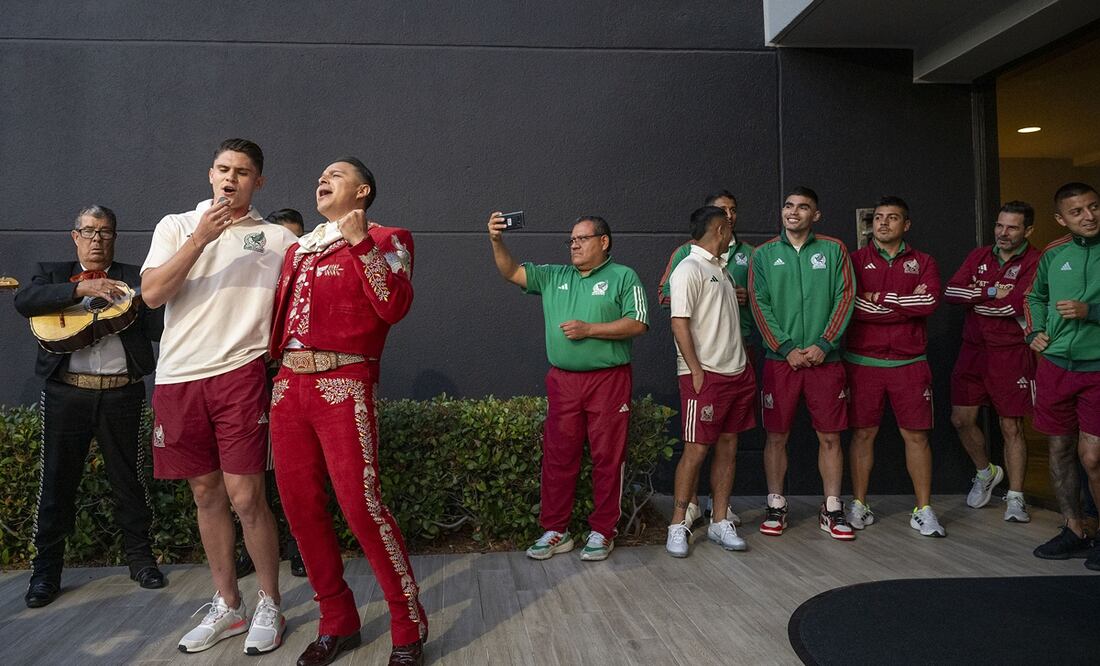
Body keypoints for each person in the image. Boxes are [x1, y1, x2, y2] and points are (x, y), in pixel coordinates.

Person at [141, 139, 298, 654]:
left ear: (259, 182)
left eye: (244, 172)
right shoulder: (175, 226)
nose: (232, 178)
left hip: (240, 374)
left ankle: (270, 603)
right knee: (205, 494)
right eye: (224, 169)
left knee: (247, 497)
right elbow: (152, 294)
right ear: (210, 174)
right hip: (179, 377)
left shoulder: (277, 239)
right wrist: (200, 240)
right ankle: (228, 605)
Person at [269, 157, 427, 666]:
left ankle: (407, 625)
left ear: (362, 192)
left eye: (336, 175)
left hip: (344, 382)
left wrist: (360, 243)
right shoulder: (300, 249)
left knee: (361, 505)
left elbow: (394, 306)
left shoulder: (387, 238)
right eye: (321, 174)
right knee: (299, 508)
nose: (323, 178)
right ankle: (337, 622)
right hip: (289, 384)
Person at [14, 205, 165, 608]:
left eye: (105, 233)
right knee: (57, 482)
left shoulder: (135, 277)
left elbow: (159, 328)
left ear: (115, 237)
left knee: (128, 479)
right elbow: (25, 300)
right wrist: (80, 290)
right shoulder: (52, 272)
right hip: (67, 391)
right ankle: (46, 573)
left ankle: (141, 561)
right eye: (90, 231)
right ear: (75, 235)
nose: (97, 239)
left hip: (121, 391)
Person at [488, 212, 648, 562]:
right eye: (571, 240)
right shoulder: (554, 275)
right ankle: (555, 531)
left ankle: (603, 531)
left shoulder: (624, 276)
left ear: (603, 242)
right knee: (559, 456)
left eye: (582, 238)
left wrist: (590, 329)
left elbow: (638, 322)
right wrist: (498, 241)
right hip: (563, 381)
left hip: (608, 380)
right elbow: (511, 272)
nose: (574, 245)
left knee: (608, 458)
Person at [748, 186, 856, 540]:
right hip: (782, 362)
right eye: (789, 206)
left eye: (803, 207)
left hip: (826, 360)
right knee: (776, 436)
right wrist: (786, 347)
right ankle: (776, 505)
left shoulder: (834, 248)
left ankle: (833, 507)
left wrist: (825, 343)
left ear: (816, 215)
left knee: (830, 438)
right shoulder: (763, 255)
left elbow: (846, 297)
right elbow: (758, 303)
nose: (793, 212)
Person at [843, 197, 944, 536]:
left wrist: (880, 298)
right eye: (878, 218)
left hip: (910, 363)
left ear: (906, 225)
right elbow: (852, 307)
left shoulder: (924, 261)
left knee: (915, 436)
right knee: (862, 434)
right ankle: (858, 504)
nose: (883, 224)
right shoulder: (854, 261)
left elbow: (928, 302)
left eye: (893, 218)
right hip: (863, 363)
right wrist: (904, 304)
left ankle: (924, 509)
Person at [657, 189, 754, 526]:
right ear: (719, 231)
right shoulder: (688, 268)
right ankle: (679, 522)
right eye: (727, 226)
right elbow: (678, 322)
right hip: (706, 376)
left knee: (728, 448)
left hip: (737, 374)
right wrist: (696, 370)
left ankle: (720, 520)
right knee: (696, 450)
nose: (731, 231)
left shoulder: (722, 270)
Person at [944, 201, 1040, 523]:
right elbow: (952, 292)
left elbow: (1015, 306)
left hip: (1010, 352)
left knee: (1010, 425)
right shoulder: (980, 255)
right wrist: (987, 290)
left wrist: (981, 299)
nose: (1003, 233)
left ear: (1028, 230)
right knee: (960, 419)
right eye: (999, 225)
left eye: (1012, 227)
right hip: (973, 350)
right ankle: (985, 472)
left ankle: (1016, 497)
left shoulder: (1036, 260)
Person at [1026, 181, 1100, 569]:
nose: (1088, 216)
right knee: (1058, 450)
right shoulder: (1054, 253)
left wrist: (1093, 312)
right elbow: (1033, 296)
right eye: (1077, 212)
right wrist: (1034, 330)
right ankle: (1074, 529)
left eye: (1094, 207)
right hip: (1055, 365)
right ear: (1061, 219)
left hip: (1097, 367)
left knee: (1093, 455)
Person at [234, 206, 307, 581]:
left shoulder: (306, 279)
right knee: (247, 471)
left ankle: (298, 550)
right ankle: (251, 551)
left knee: (291, 469)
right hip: (251, 377)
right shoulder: (253, 278)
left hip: (291, 378)